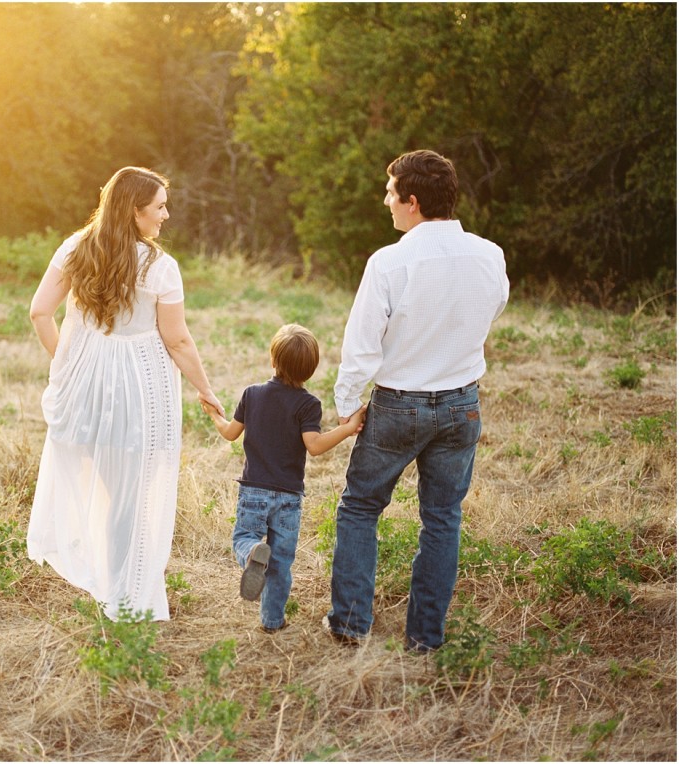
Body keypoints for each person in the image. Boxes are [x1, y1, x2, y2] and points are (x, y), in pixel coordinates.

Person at [325, 149, 510, 652]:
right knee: (443, 518)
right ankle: (425, 637)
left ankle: (350, 624)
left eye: (389, 194)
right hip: (461, 404)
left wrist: (347, 406)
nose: (384, 202)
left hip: (399, 404)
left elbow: (361, 344)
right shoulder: (490, 254)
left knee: (361, 507)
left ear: (411, 201)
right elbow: (493, 307)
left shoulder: (390, 261)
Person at [27, 167, 223, 623]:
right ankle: (123, 597)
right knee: (129, 493)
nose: (166, 215)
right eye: (158, 207)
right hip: (141, 390)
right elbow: (176, 341)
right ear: (135, 212)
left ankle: (111, 587)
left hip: (85, 388)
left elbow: (40, 312)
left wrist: (68, 366)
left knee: (105, 484)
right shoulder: (160, 267)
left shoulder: (76, 247)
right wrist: (206, 389)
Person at [201, 324, 365, 634]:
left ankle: (251, 553)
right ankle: (272, 621)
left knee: (243, 538)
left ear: (273, 361)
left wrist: (213, 414)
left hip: (254, 491)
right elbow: (314, 447)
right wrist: (347, 429)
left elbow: (230, 434)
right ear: (311, 370)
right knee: (280, 564)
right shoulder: (308, 404)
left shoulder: (252, 394)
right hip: (289, 497)